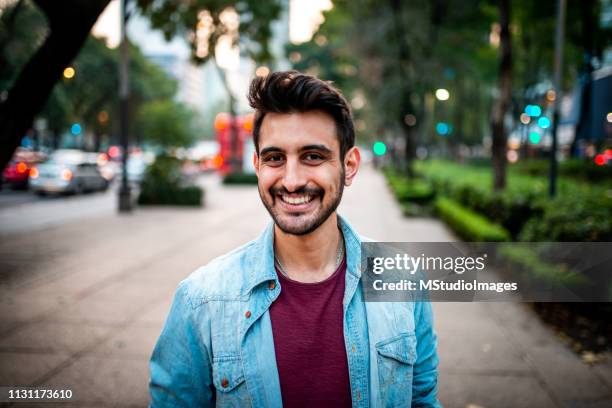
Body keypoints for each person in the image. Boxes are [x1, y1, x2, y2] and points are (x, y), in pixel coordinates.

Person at [149, 70, 440, 407]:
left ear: (349, 165)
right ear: (257, 165)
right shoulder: (201, 300)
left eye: (312, 156)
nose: (291, 180)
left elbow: (422, 400)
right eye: (275, 158)